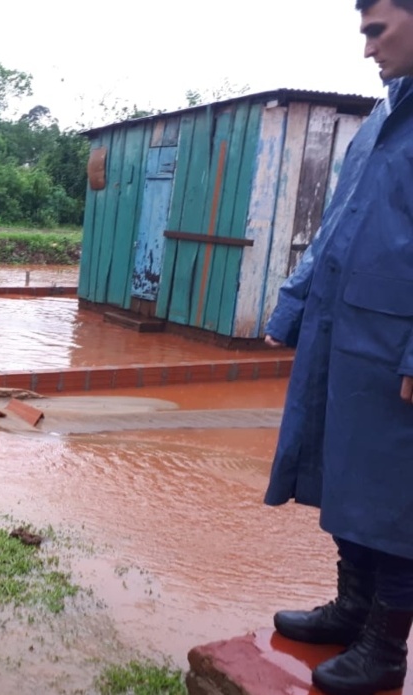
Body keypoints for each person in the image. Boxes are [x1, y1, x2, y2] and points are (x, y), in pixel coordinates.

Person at [263, 2, 413, 694]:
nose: (366, 50)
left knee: (398, 498)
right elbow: (335, 223)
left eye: (375, 31)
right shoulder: (385, 118)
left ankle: (385, 645)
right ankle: (353, 607)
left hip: (396, 348)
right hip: (347, 335)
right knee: (348, 480)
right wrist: (293, 303)